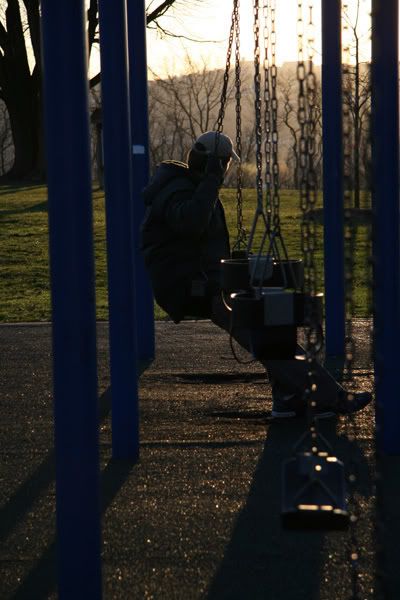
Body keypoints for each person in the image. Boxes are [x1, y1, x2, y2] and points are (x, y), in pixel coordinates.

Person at [140, 131, 371, 418]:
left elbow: (195, 239)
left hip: (204, 280)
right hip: (191, 286)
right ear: (217, 165)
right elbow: (190, 223)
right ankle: (330, 397)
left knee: (270, 324)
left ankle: (288, 396)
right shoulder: (179, 189)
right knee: (263, 334)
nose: (226, 171)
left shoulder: (187, 186)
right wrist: (211, 181)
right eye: (225, 164)